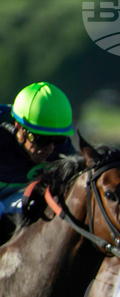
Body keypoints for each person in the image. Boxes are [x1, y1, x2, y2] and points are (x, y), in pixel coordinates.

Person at [0, 82, 76, 220]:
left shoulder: (61, 148)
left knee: (38, 205)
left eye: (58, 139)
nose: (50, 148)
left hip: (11, 196)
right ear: (18, 127)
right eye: (42, 139)